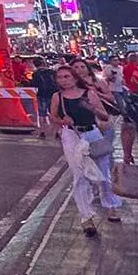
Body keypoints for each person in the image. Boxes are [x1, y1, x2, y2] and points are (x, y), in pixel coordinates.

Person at [51, 64, 120, 235]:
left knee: (103, 173)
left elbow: (104, 115)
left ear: (75, 78)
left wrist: (90, 108)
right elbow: (53, 117)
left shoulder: (89, 93)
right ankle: (86, 217)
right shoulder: (57, 97)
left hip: (92, 134)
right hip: (72, 136)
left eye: (66, 77)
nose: (63, 81)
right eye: (60, 78)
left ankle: (111, 205)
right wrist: (62, 121)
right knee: (80, 176)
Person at [31, 59, 58, 138]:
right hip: (53, 94)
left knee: (42, 113)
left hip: (42, 94)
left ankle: (42, 132)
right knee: (55, 114)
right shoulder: (52, 72)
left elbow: (34, 84)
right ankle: (56, 132)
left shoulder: (36, 73)